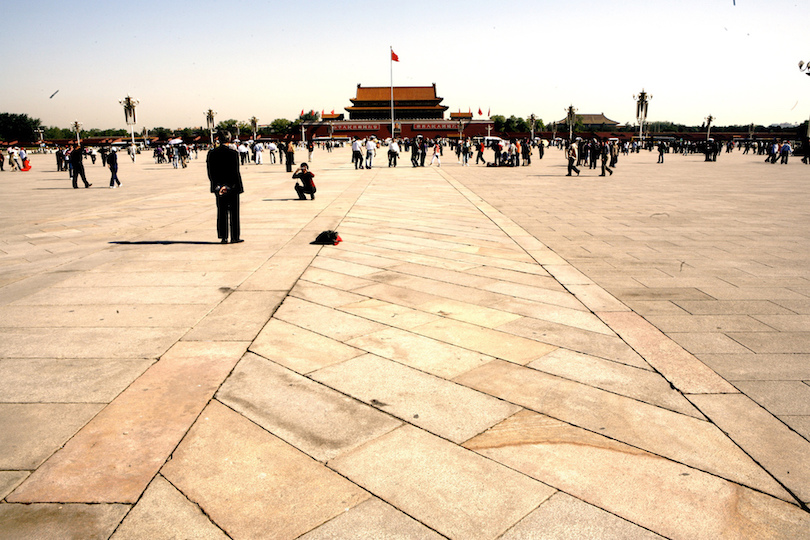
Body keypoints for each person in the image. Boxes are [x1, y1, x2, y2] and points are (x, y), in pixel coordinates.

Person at [207, 130, 244, 244]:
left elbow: (210, 172)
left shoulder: (212, 153)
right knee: (234, 212)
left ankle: (223, 236)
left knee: (221, 211)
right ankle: (234, 236)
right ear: (229, 139)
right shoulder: (233, 153)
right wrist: (230, 186)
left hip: (219, 187)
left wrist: (218, 185)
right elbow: (234, 172)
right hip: (232, 187)